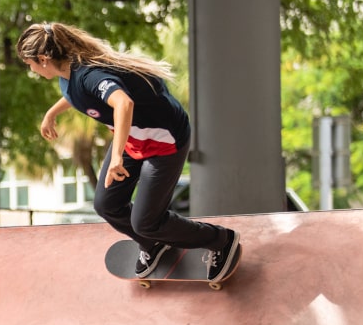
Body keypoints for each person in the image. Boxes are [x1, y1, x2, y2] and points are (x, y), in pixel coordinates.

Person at [17, 21, 240, 279]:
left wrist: (116, 156)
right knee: (106, 204)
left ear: (44, 59)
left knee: (146, 221)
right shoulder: (67, 75)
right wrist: (51, 113)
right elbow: (76, 94)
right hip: (134, 139)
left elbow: (123, 103)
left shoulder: (89, 74)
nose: (30, 69)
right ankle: (154, 244)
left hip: (164, 140)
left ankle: (220, 240)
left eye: (29, 64)